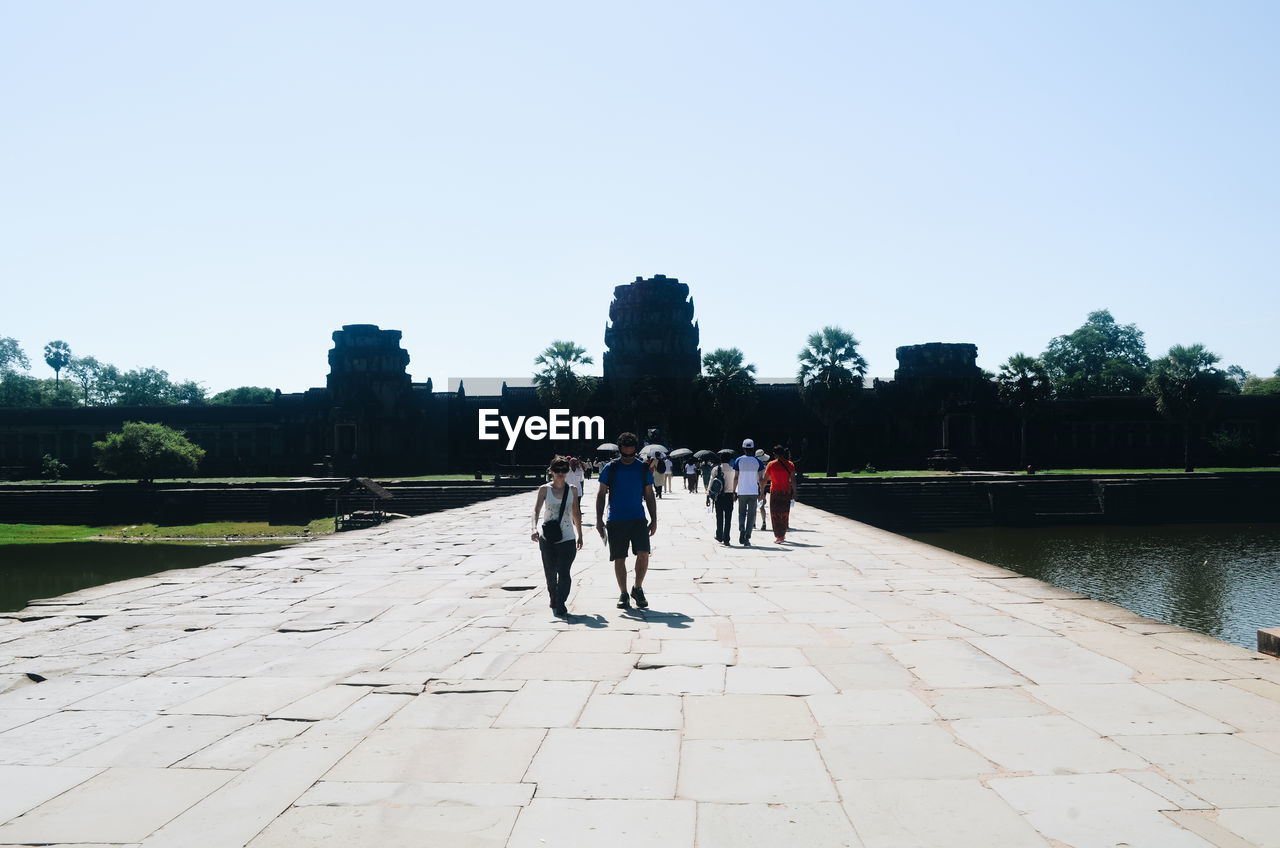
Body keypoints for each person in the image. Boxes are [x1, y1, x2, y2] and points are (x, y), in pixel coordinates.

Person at [596, 432, 658, 609]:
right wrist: (599, 520)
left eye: (631, 454)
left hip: (638, 517)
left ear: (635, 451)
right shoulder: (611, 468)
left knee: (644, 553)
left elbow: (649, 494)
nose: (629, 457)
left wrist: (654, 519)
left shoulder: (643, 468)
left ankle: (637, 588)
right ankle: (623, 592)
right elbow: (601, 494)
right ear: (619, 451)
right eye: (625, 454)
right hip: (616, 519)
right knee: (619, 557)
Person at [530, 456, 583, 616]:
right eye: (557, 470)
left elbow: (576, 513)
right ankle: (553, 594)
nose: (561, 473)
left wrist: (580, 534)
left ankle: (561, 602)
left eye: (564, 470)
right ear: (551, 471)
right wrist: (533, 528)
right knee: (550, 572)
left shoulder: (573, 489)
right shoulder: (544, 489)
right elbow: (536, 510)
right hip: (547, 538)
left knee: (564, 571)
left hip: (567, 537)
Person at [731, 438, 766, 546]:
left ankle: (741, 526)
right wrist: (762, 492)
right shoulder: (758, 461)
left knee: (741, 513)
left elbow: (736, 477)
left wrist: (733, 491)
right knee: (751, 515)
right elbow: (761, 479)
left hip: (742, 491)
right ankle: (747, 537)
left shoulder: (738, 460)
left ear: (743, 448)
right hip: (753, 492)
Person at [764, 445, 797, 543]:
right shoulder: (790, 464)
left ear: (774, 454)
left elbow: (765, 479)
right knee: (785, 513)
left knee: (775, 514)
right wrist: (795, 492)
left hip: (775, 492)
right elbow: (793, 480)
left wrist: (761, 491)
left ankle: (779, 536)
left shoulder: (771, 464)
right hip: (786, 492)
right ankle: (782, 534)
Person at [711, 448, 736, 546]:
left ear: (720, 460)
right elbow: (736, 482)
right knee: (728, 517)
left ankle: (719, 535)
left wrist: (708, 496)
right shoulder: (733, 469)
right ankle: (727, 538)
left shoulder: (716, 469)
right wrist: (735, 493)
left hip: (719, 496)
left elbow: (711, 483)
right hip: (729, 495)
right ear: (730, 460)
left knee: (719, 516)